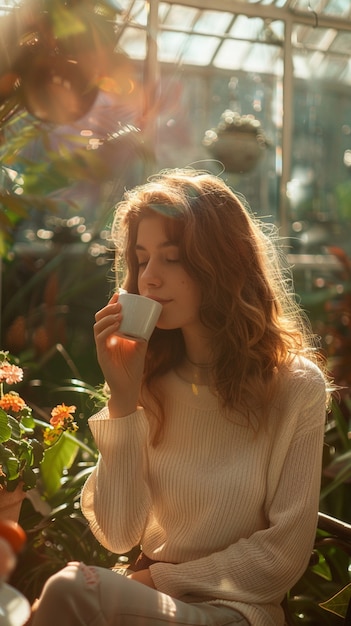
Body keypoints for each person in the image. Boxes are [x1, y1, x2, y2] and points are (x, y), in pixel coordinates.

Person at [31, 168, 329, 626]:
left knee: (74, 590)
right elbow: (117, 533)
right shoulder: (148, 379)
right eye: (142, 258)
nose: (148, 278)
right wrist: (124, 399)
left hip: (234, 612)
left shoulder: (295, 388)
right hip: (146, 603)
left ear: (221, 263)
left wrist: (157, 582)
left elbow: (280, 557)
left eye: (171, 258)